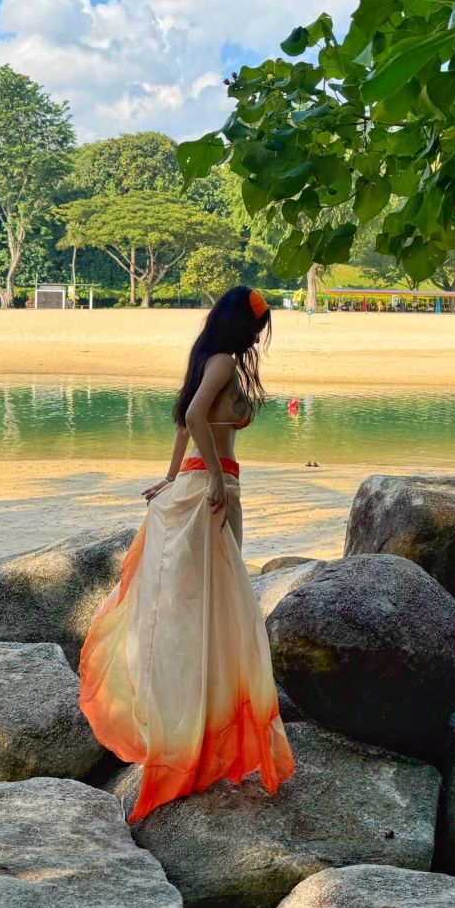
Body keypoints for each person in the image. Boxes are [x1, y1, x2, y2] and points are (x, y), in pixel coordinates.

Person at [78, 287, 295, 821]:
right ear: (244, 328)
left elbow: (184, 421)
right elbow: (196, 419)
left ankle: (198, 730)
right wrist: (215, 479)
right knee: (218, 615)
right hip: (214, 493)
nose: (259, 338)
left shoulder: (209, 358)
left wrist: (175, 476)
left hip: (206, 488)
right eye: (258, 328)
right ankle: (202, 738)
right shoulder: (222, 362)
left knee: (210, 613)